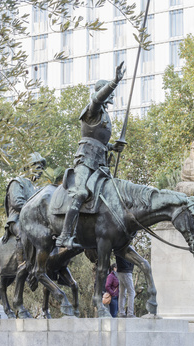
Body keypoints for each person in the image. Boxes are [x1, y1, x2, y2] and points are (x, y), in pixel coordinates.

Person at [55, 62, 126, 249]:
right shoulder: (92, 110)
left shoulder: (104, 116)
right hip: (86, 159)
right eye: (108, 92)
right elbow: (97, 99)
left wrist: (112, 147)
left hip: (101, 161)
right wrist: (115, 81)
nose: (111, 96)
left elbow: (99, 141)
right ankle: (64, 235)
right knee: (80, 193)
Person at [2, 152, 46, 267]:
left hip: (35, 220)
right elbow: (17, 203)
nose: (40, 169)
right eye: (36, 166)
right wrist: (37, 212)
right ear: (28, 167)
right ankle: (21, 263)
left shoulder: (40, 188)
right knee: (23, 232)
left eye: (41, 167)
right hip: (17, 220)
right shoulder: (17, 182)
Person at [116, 252, 135, 318]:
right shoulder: (124, 248)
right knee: (131, 292)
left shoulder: (118, 247)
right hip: (126, 271)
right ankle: (130, 313)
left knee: (122, 293)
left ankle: (121, 313)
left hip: (120, 271)